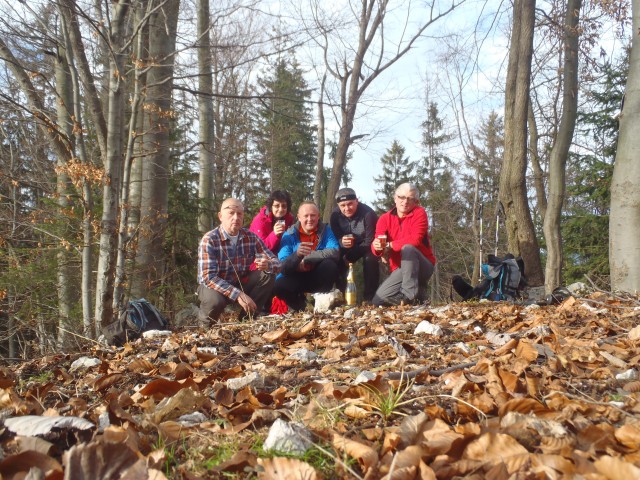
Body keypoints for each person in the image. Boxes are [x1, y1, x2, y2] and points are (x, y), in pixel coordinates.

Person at [197, 198, 280, 326]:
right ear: (220, 216)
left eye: (239, 214)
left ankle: (246, 322)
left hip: (239, 282)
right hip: (214, 287)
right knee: (215, 302)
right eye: (231, 213)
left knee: (267, 275)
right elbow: (208, 277)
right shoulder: (210, 239)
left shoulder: (250, 237)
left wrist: (268, 264)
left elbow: (277, 264)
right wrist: (238, 295)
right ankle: (204, 328)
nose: (236, 217)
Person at [371, 183, 436, 306]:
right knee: (378, 301)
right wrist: (377, 248)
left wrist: (390, 246)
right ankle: (418, 296)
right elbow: (378, 244)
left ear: (416, 201)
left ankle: (409, 296)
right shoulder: (384, 219)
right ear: (395, 198)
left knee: (408, 249)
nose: (405, 202)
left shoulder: (419, 213)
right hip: (400, 268)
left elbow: (415, 240)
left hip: (423, 265)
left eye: (410, 199)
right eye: (402, 197)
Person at [274, 201, 340, 311]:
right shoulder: (289, 234)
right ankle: (300, 307)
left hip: (316, 275)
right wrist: (297, 256)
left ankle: (321, 304)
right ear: (299, 217)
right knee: (279, 285)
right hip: (296, 277)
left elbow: (335, 251)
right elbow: (283, 266)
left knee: (330, 266)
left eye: (313, 215)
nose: (310, 219)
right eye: (306, 216)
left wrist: (308, 259)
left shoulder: (325, 231)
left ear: (318, 216)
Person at [330, 187, 379, 302]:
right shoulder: (335, 215)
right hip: (346, 245)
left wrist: (350, 257)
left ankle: (370, 298)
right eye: (343, 205)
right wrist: (341, 242)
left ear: (357, 201)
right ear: (338, 205)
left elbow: (370, 240)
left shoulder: (368, 213)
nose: (347, 208)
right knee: (336, 257)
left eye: (350, 204)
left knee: (370, 258)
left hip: (365, 245)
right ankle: (341, 296)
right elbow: (334, 237)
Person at [249, 190, 295, 255]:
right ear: (271, 206)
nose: (280, 209)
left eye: (284, 206)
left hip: (280, 255)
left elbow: (291, 239)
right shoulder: (260, 220)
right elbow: (260, 248)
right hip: (259, 257)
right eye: (277, 206)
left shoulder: (289, 218)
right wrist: (274, 234)